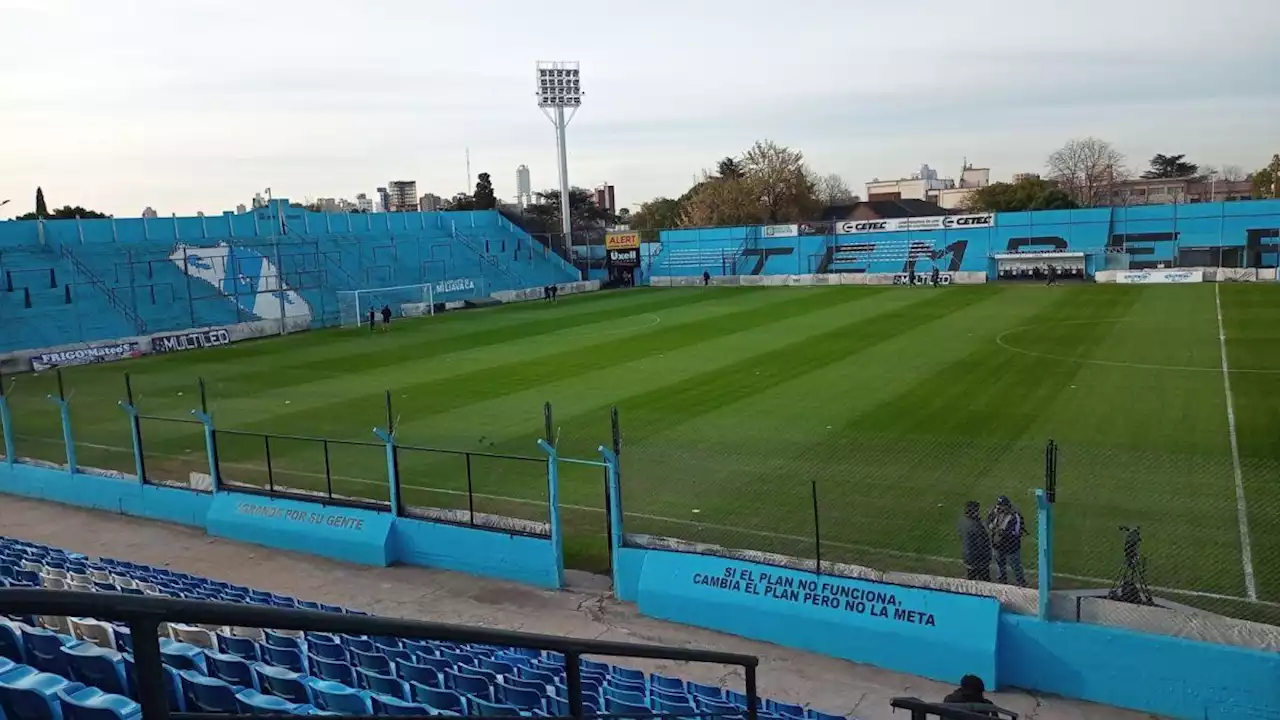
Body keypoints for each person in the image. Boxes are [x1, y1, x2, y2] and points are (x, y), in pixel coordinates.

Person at [987, 495, 1027, 586]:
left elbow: (1017, 532)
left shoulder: (1014, 516)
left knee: (1016, 567)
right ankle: (1002, 583)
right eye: (998, 505)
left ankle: (1021, 583)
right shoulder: (994, 512)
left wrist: (1003, 533)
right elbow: (988, 522)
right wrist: (993, 526)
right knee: (1000, 567)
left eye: (1001, 505)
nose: (998, 507)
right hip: (997, 546)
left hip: (1012, 547)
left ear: (1006, 506)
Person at [959, 501, 991, 582]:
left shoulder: (963, 522)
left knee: (971, 577)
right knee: (984, 580)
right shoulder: (975, 525)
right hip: (978, 558)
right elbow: (982, 543)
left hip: (967, 555)